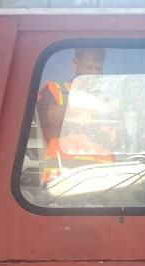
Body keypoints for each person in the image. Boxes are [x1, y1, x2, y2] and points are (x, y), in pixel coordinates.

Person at [36, 48, 112, 184]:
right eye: (89, 68)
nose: (94, 73)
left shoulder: (109, 100)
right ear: (75, 64)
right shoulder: (55, 91)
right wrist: (91, 110)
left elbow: (121, 140)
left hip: (108, 179)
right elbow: (51, 124)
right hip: (63, 181)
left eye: (98, 69)